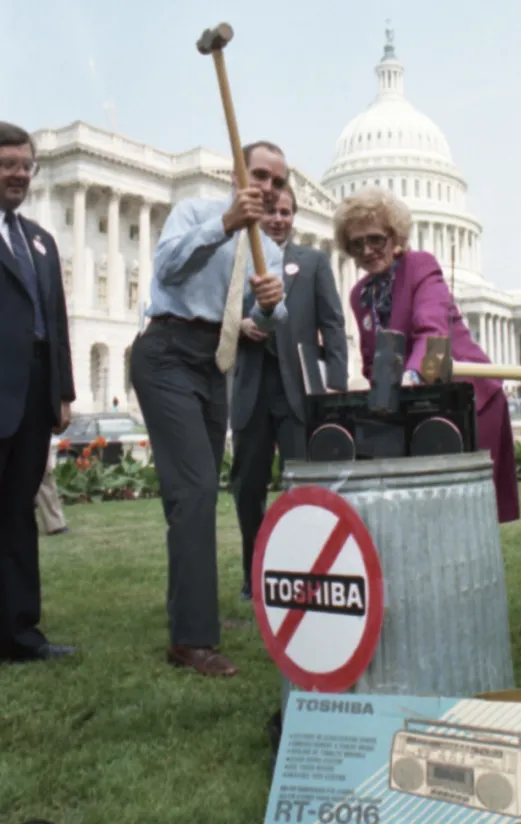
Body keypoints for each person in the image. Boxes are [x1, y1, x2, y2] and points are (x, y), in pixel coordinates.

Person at [129, 140, 288, 677]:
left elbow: (268, 320)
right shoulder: (195, 211)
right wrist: (224, 224)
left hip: (215, 361)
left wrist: (271, 308)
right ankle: (191, 639)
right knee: (195, 489)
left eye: (278, 182)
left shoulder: (269, 250)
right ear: (237, 174)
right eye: (259, 175)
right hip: (166, 351)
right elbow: (168, 269)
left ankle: (193, 614)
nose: (268, 188)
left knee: (194, 493)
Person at [332, 186, 520, 524]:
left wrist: (411, 376)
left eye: (375, 239)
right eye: (357, 244)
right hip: (415, 404)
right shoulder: (359, 295)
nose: (367, 250)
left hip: (467, 396)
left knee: (466, 510)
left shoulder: (420, 266)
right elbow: (373, 358)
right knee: (421, 509)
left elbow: (432, 329)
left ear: (395, 235)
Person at [231, 183, 348, 600]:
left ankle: (306, 570)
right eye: (271, 212)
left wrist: (335, 383)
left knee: (302, 485)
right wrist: (239, 326)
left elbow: (332, 323)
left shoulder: (313, 262)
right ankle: (254, 573)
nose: (279, 219)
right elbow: (216, 315)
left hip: (298, 389)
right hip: (252, 388)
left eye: (286, 212)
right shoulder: (236, 261)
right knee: (248, 487)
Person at [0, 121, 77, 663]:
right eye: (8, 165)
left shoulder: (40, 241)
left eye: (26, 166)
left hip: (31, 396)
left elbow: (56, 321)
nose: (20, 174)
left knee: (17, 515)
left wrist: (62, 392)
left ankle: (21, 635)